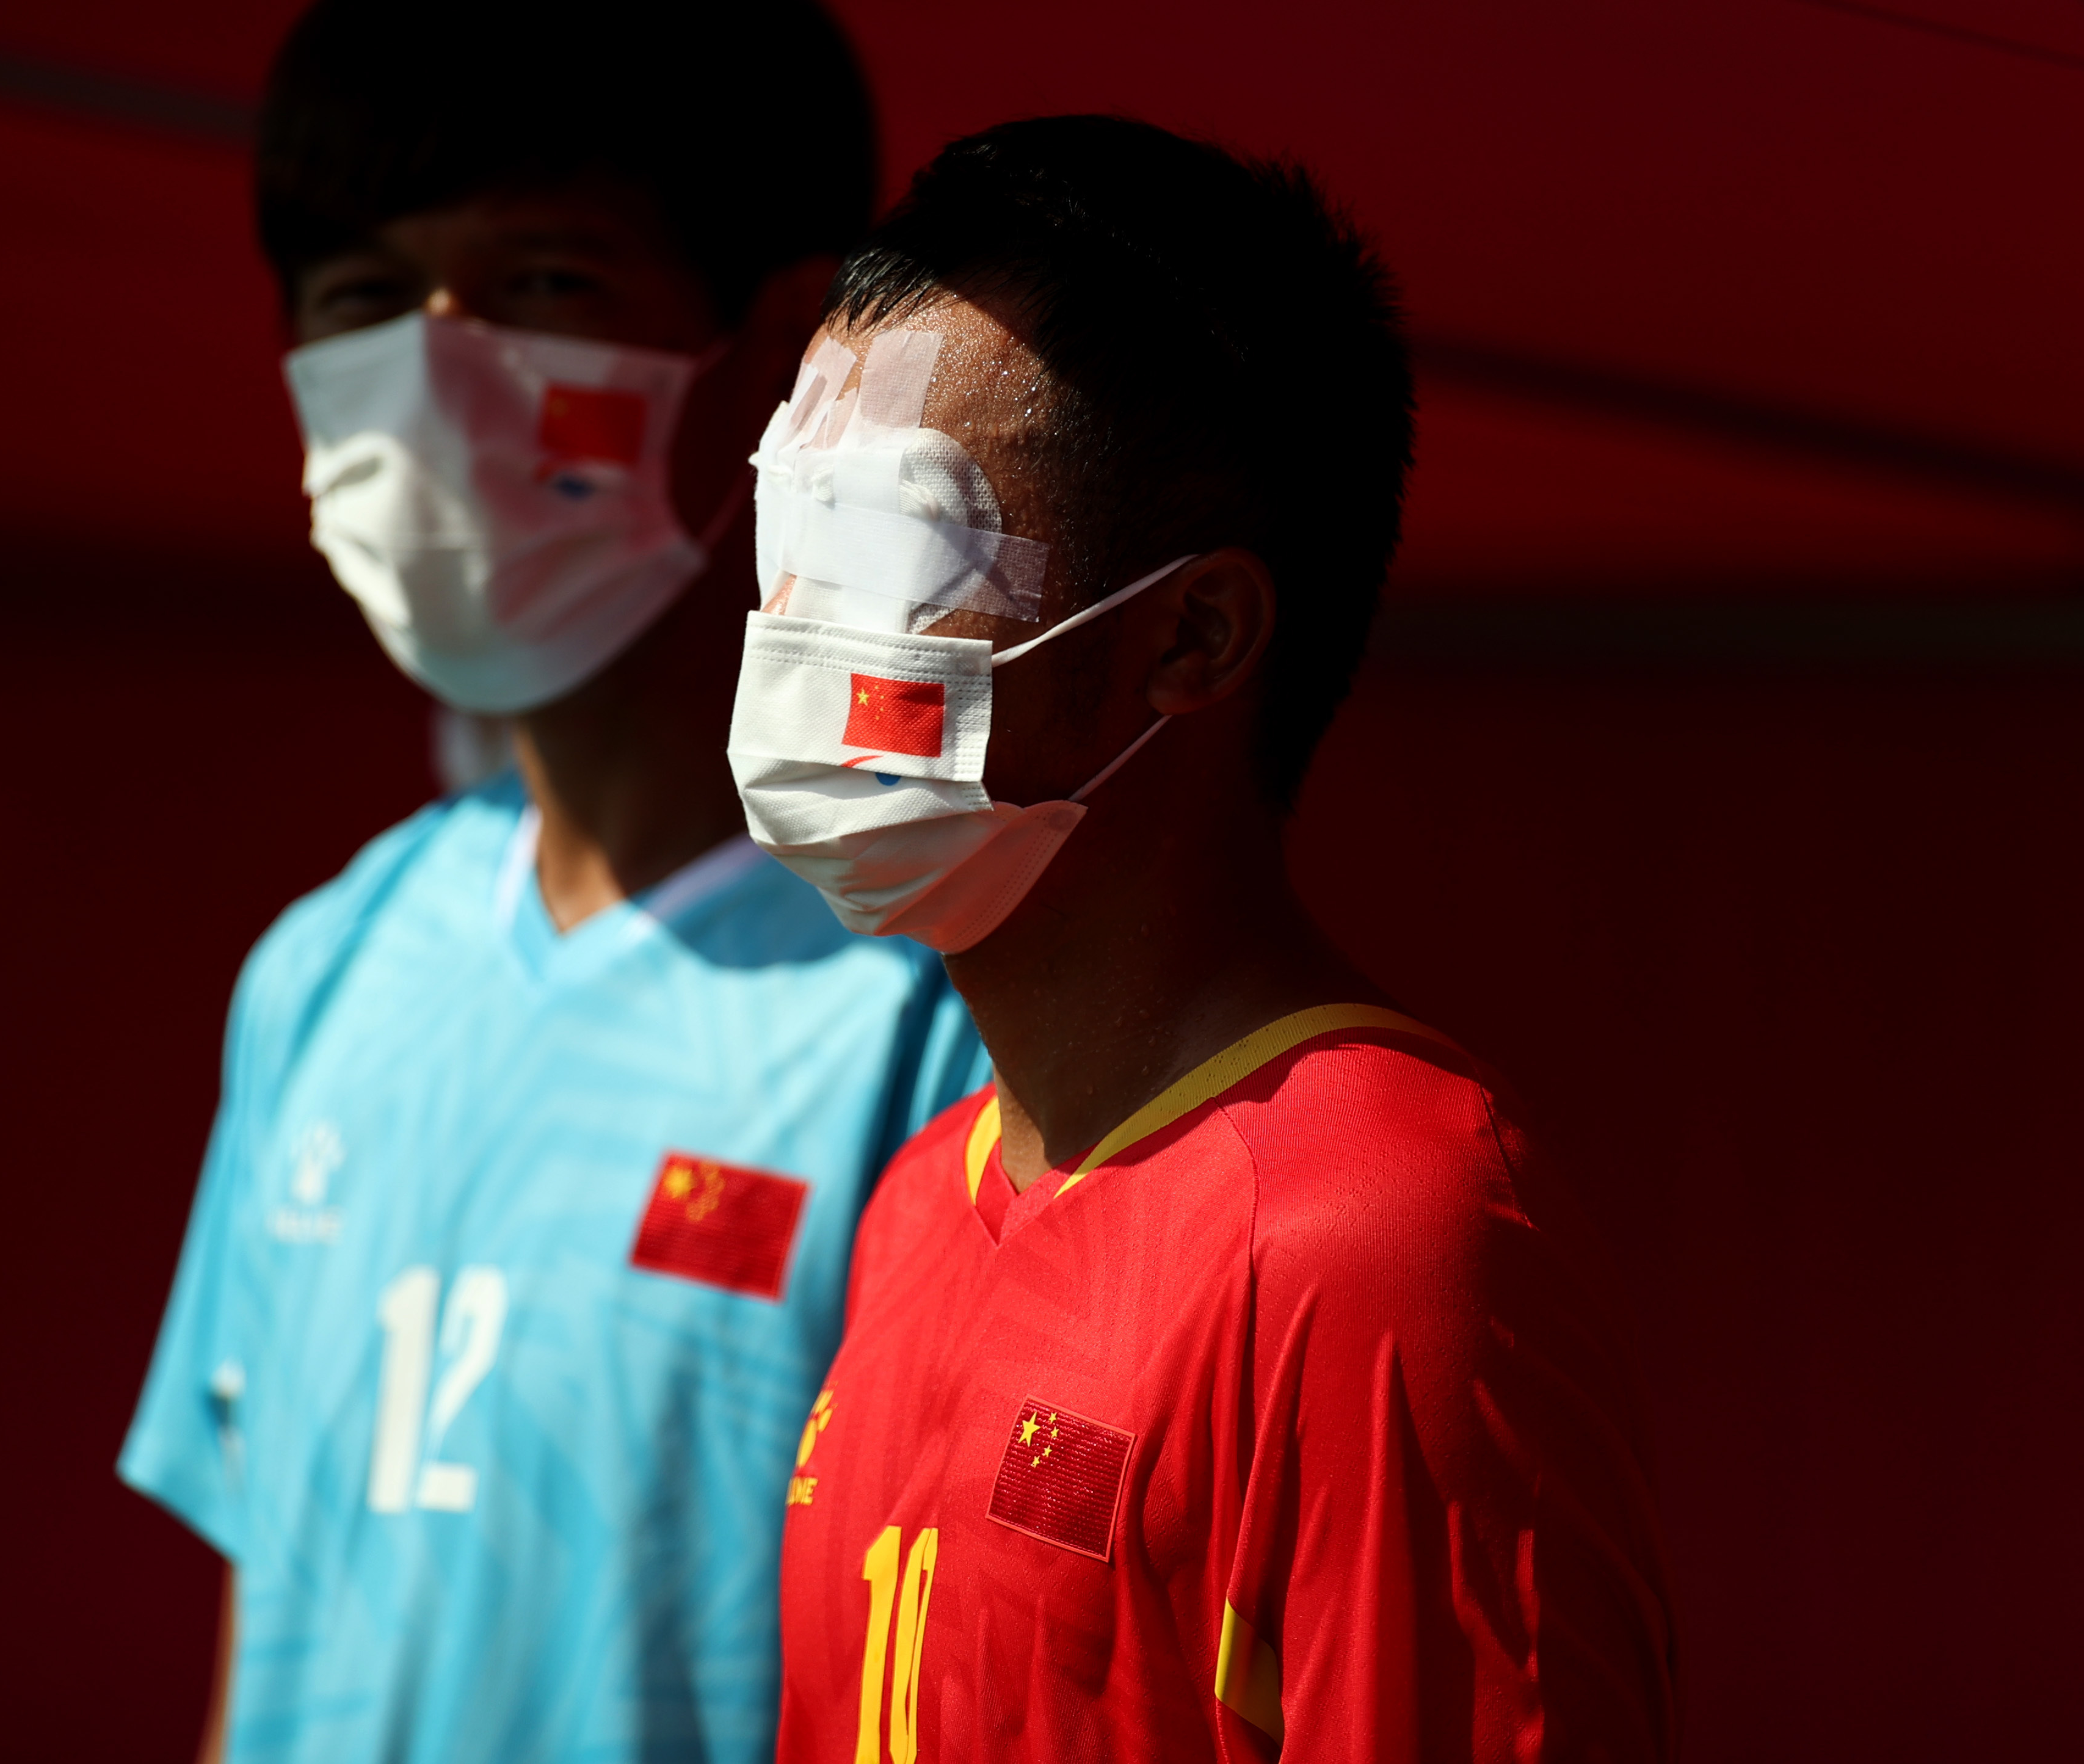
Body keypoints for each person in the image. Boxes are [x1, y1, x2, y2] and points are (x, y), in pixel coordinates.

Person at [732, 117, 1679, 1759]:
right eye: (788, 537)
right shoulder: (918, 1205)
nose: (796, 628)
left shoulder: (1388, 1250)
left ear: (1193, 633)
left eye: (888, 549)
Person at [117, 6, 986, 1762]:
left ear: (796, 345)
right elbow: (265, 1647)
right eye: (364, 297)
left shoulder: (949, 1004)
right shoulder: (322, 973)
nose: (437, 376)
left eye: (543, 282)